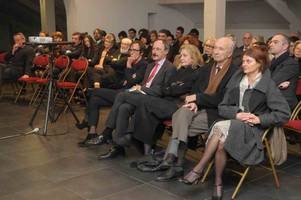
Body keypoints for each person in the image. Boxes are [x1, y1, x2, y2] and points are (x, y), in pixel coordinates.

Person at [180, 46, 290, 200]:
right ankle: (217, 182)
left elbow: (284, 113)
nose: (243, 64)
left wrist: (260, 119)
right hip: (232, 123)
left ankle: (199, 169)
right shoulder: (237, 79)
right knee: (221, 143)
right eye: (243, 60)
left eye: (248, 61)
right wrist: (237, 114)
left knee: (219, 128)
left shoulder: (268, 85)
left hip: (252, 129)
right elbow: (222, 107)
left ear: (260, 63)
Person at [151, 37, 238, 181]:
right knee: (181, 113)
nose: (215, 51)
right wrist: (195, 102)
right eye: (215, 47)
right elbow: (196, 89)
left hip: (216, 112)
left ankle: (174, 161)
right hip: (199, 107)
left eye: (220, 49)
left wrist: (198, 99)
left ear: (229, 53)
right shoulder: (207, 68)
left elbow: (223, 99)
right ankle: (175, 162)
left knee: (181, 124)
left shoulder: (234, 72)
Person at [91, 39, 176, 159]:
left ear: (166, 51)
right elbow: (144, 82)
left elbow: (163, 90)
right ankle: (118, 147)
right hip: (140, 96)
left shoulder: (170, 68)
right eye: (154, 49)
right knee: (123, 107)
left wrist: (141, 89)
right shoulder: (150, 65)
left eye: (158, 49)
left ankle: (108, 132)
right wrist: (139, 87)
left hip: (152, 100)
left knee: (121, 95)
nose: (154, 52)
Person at [132, 44, 203, 152]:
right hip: (168, 100)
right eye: (181, 55)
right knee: (145, 107)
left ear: (193, 57)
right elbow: (167, 86)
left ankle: (141, 143)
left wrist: (172, 88)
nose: (181, 58)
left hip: (179, 105)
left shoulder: (197, 72)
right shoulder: (180, 70)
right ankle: (146, 147)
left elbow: (181, 89)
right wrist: (172, 88)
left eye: (184, 56)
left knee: (145, 103)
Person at [78, 41, 148, 146]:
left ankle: (88, 121)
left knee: (93, 91)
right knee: (94, 99)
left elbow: (131, 82)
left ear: (141, 52)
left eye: (135, 50)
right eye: (131, 49)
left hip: (128, 95)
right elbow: (124, 77)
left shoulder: (143, 64)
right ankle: (92, 133)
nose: (132, 52)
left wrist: (128, 66)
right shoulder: (129, 60)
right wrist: (127, 77)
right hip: (120, 90)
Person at [268, 33, 299, 110]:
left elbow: (271, 82)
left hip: (283, 104)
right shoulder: (272, 62)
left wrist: (273, 85)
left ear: (285, 46)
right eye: (271, 42)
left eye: (275, 42)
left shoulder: (291, 63)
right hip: (271, 99)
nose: (271, 44)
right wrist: (277, 86)